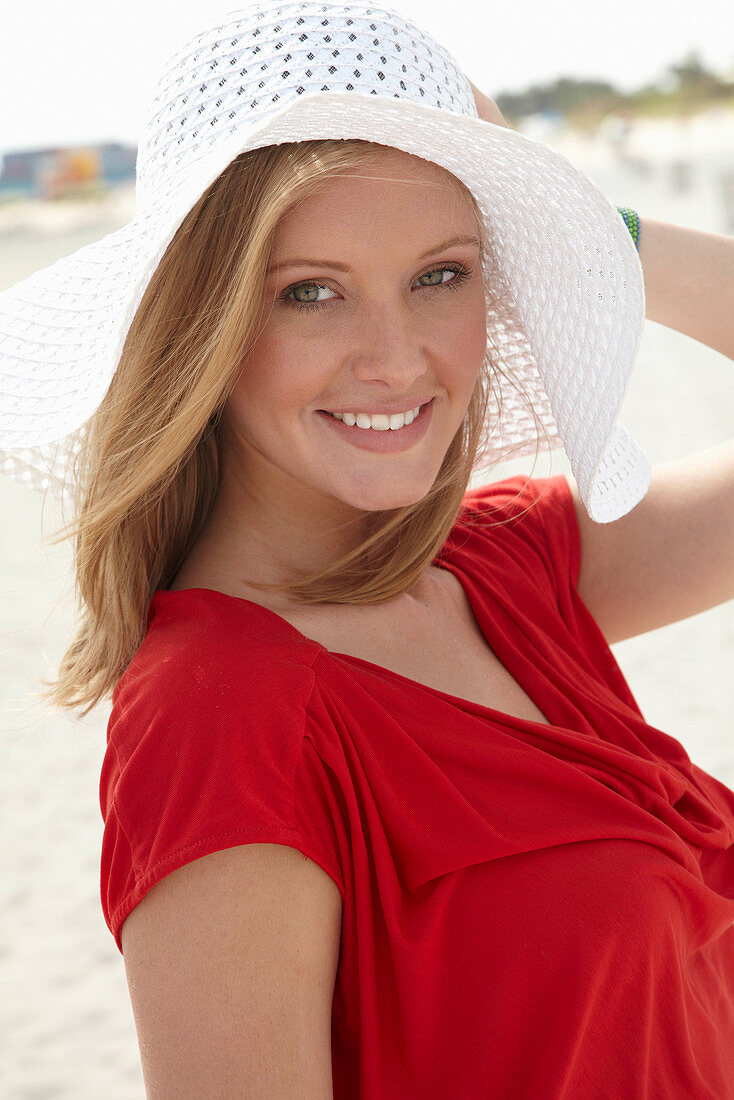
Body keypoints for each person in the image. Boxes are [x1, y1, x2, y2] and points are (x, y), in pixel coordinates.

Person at [1, 1, 733, 1096]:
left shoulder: (502, 571)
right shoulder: (220, 712)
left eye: (441, 273)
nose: (395, 359)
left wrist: (586, 219)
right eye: (310, 291)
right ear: (197, 325)